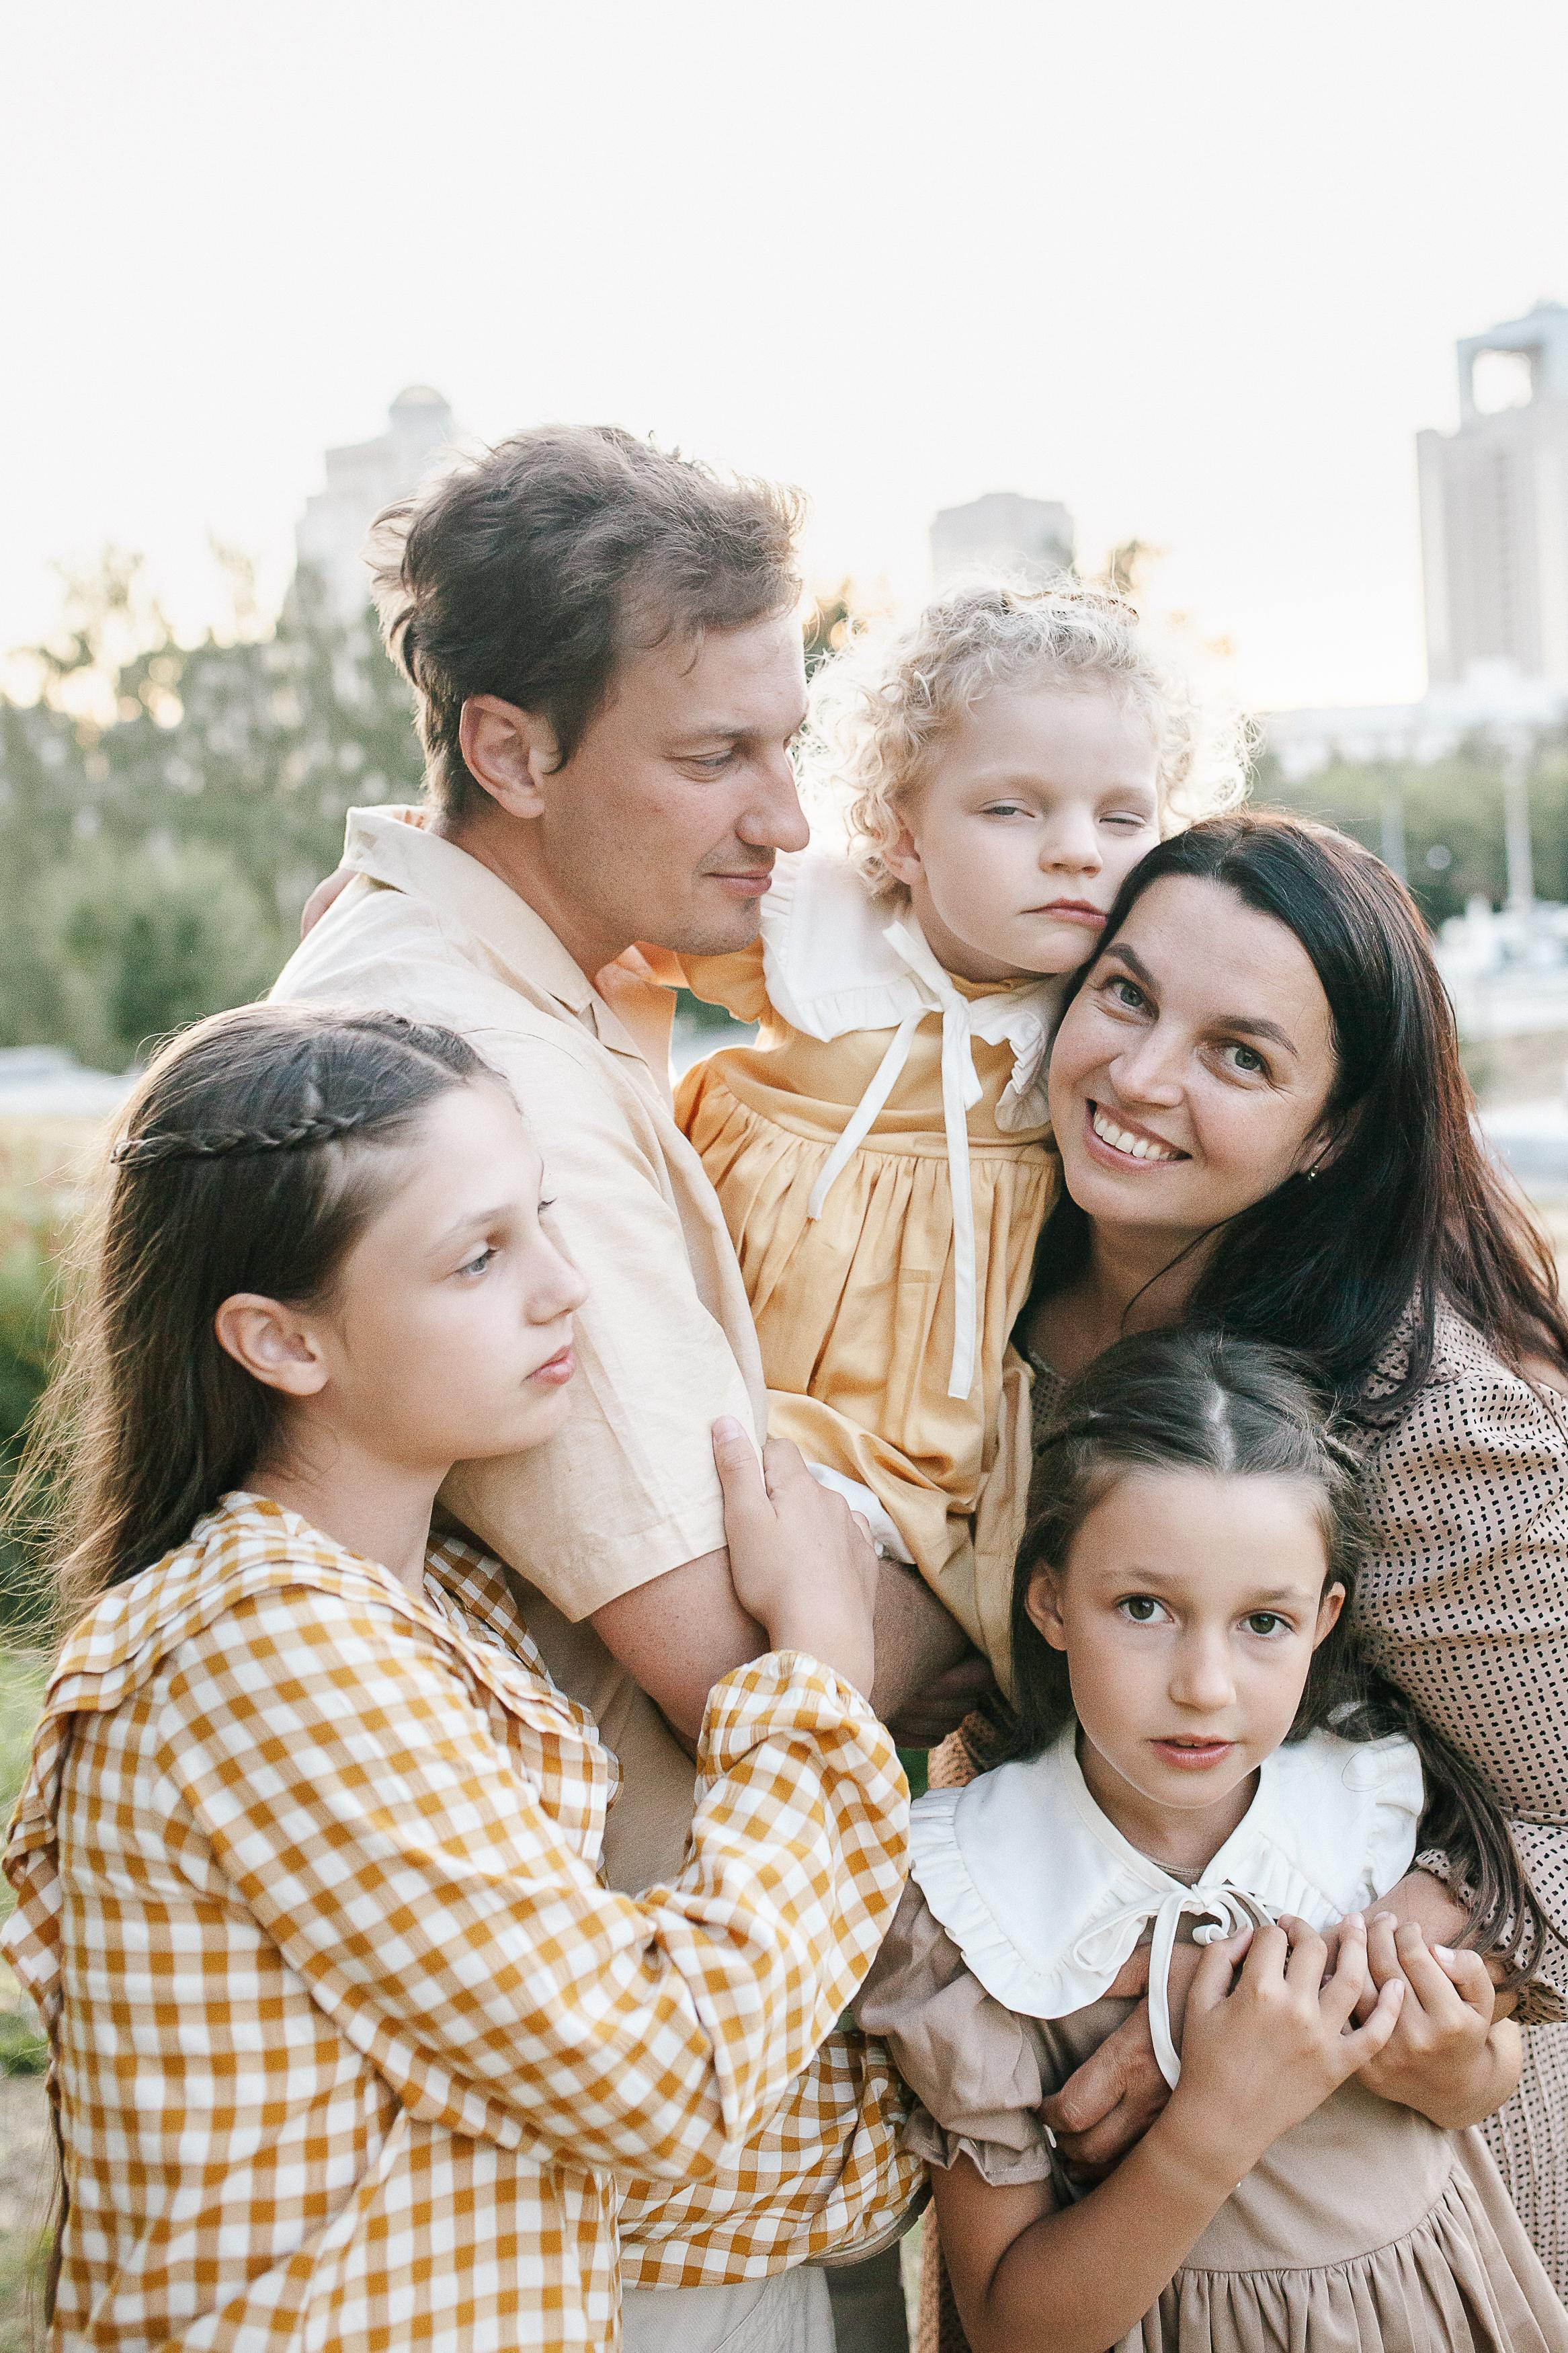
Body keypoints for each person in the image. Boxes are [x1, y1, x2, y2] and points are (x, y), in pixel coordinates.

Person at [275, 424, 961, 2348]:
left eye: (789, 743)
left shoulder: (498, 981)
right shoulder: (472, 1065)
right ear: (509, 749)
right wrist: (1072, 1595)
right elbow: (739, 1652)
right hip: (641, 2141)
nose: (792, 819)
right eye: (711, 755)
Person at [1, 1003, 922, 2353]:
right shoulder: (264, 1655)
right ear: (284, 1342)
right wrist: (821, 1684)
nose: (565, 1285)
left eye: (545, 1218)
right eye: (479, 1257)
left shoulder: (437, 1606)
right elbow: (652, 2072)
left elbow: (518, 2145)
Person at [997, 813, 1568, 2290]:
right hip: (1088, 2191)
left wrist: (1257, 1986)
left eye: (1239, 1055)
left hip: (1391, 2194)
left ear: (1330, 1134)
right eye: (1125, 995)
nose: (1137, 1077)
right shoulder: (987, 1274)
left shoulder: (1415, 1412)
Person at [862, 1329, 1567, 2353]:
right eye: (1143, 1608)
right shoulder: (977, 1899)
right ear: (1049, 1598)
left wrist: (1449, 2066)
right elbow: (1013, 2327)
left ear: (1325, 1618)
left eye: (1262, 1623)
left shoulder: (1373, 1797)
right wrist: (1210, 2128)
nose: (1203, 1684)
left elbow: (1476, 2085)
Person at [674, 581, 1243, 1670]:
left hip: (915, 1456)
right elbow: (601, 919)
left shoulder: (1106, 1027)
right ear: (900, 835)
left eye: (1120, 818)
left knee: (820, 1636)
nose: (1077, 852)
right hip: (719, 1353)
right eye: (1011, 810)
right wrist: (442, 876)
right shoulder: (812, 932)